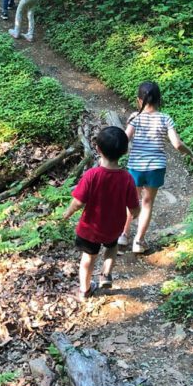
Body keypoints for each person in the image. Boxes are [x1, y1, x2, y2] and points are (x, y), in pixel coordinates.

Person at [62, 126, 140, 300]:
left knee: (88, 258)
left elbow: (79, 202)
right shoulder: (127, 178)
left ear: (97, 148)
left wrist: (67, 213)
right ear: (125, 151)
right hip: (113, 227)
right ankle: (105, 274)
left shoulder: (92, 175)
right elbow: (134, 207)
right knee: (111, 248)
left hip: (90, 228)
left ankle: (84, 290)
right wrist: (136, 213)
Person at [119, 81, 193, 254]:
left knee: (132, 201)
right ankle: (138, 242)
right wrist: (190, 153)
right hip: (156, 168)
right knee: (147, 203)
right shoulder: (165, 118)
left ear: (139, 100)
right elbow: (176, 144)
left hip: (135, 167)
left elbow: (125, 139)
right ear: (159, 99)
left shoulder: (135, 117)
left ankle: (123, 235)